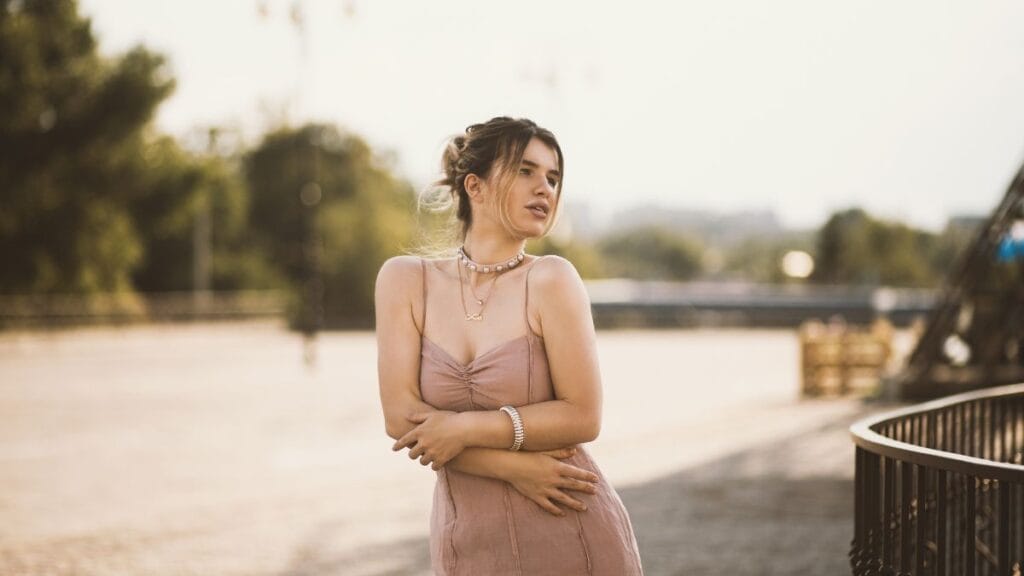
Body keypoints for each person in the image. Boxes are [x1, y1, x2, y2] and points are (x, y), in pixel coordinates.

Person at [375, 117, 644, 575]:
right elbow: (402, 421)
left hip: (568, 526)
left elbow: (583, 416)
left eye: (553, 177)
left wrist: (461, 428)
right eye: (525, 170)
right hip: (465, 541)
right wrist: (515, 468)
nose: (545, 188)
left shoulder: (552, 280)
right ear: (474, 186)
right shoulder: (404, 281)